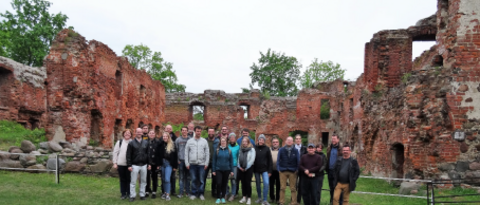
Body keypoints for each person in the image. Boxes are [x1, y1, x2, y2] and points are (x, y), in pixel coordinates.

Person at [185, 126, 210, 201]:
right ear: (194, 131)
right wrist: (187, 163)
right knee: (194, 179)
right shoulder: (190, 141)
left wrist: (206, 163)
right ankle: (194, 193)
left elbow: (207, 152)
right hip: (192, 164)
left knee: (201, 180)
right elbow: (186, 152)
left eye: (200, 131)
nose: (198, 132)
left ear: (201, 132)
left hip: (202, 164)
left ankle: (201, 194)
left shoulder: (204, 141)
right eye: (197, 131)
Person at [126, 128, 151, 202]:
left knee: (143, 181)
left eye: (140, 132)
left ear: (142, 133)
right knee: (133, 181)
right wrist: (129, 165)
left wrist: (149, 164)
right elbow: (128, 155)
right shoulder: (131, 143)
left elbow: (148, 154)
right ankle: (132, 195)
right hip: (135, 165)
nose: (139, 133)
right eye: (138, 132)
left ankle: (142, 194)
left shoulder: (146, 142)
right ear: (135, 133)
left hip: (144, 164)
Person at [277, 136, 300, 205]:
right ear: (286, 141)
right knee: (282, 187)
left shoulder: (295, 150)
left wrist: (297, 169)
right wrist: (279, 169)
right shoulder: (281, 150)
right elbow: (278, 160)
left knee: (293, 188)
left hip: (292, 171)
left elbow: (298, 161)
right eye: (288, 140)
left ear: (293, 142)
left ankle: (293, 202)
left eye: (291, 140)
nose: (289, 141)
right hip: (283, 171)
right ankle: (281, 202)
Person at [212, 137, 234, 204]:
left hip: (226, 170)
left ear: (226, 143)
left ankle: (223, 197)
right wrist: (213, 170)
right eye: (222, 141)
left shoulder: (229, 151)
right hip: (218, 169)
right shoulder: (217, 150)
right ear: (220, 143)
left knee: (224, 184)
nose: (223, 142)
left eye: (224, 141)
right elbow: (214, 161)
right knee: (219, 183)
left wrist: (232, 170)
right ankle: (218, 197)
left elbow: (231, 161)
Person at [113, 129, 133, 200]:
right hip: (121, 164)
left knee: (129, 179)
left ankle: (129, 192)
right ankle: (123, 193)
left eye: (129, 133)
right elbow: (115, 152)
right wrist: (115, 163)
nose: (127, 134)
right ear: (123, 134)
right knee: (122, 179)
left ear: (131, 135)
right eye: (126, 133)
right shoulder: (120, 142)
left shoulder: (132, 142)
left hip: (129, 165)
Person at [158, 132, 178, 201]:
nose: (165, 138)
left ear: (168, 137)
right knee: (163, 179)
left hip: (169, 164)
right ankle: (164, 192)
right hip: (162, 163)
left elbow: (175, 156)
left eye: (166, 136)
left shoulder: (172, 145)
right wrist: (158, 164)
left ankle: (167, 194)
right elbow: (158, 156)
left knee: (167, 179)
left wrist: (175, 166)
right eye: (163, 136)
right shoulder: (160, 145)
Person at [254, 134, 272, 205]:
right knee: (258, 184)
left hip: (265, 169)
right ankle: (259, 198)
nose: (261, 141)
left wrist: (270, 171)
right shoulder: (254, 148)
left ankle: (265, 200)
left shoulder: (267, 149)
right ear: (258, 140)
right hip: (256, 169)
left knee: (266, 183)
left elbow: (270, 160)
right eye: (260, 140)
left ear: (264, 141)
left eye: (262, 140)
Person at [237, 137, 256, 205]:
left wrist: (246, 167)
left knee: (248, 183)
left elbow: (252, 160)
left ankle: (249, 198)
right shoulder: (240, 149)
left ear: (248, 142)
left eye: (245, 141)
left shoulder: (252, 149)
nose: (244, 143)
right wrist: (239, 166)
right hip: (241, 168)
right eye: (243, 141)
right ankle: (244, 197)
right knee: (243, 183)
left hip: (249, 168)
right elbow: (238, 159)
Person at [175, 126, 191, 198]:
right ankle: (181, 193)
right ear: (181, 131)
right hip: (181, 161)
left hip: (188, 162)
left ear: (187, 131)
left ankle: (187, 192)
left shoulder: (190, 140)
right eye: (183, 130)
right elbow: (176, 151)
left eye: (185, 130)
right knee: (181, 177)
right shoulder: (178, 140)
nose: (184, 131)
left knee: (188, 177)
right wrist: (178, 160)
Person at [327, 134, 343, 205]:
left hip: (337, 172)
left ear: (338, 140)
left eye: (335, 139)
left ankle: (339, 202)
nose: (333, 140)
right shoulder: (329, 148)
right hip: (330, 171)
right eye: (332, 139)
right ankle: (332, 201)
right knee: (331, 187)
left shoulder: (341, 149)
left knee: (338, 188)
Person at [204, 127, 220, 197]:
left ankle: (214, 192)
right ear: (208, 132)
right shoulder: (204, 141)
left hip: (214, 162)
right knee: (203, 177)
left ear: (214, 132)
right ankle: (201, 192)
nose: (211, 133)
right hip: (206, 162)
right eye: (209, 132)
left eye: (212, 132)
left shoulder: (218, 141)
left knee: (215, 179)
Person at [145, 130, 160, 199]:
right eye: (150, 133)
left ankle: (154, 191)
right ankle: (147, 191)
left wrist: (158, 164)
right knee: (147, 177)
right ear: (148, 134)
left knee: (154, 177)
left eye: (153, 133)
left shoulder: (158, 142)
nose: (151, 134)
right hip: (147, 163)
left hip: (155, 163)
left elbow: (159, 154)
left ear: (155, 134)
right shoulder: (145, 142)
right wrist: (147, 163)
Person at [294, 134, 307, 205]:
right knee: (293, 185)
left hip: (302, 169)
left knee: (301, 185)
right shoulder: (293, 148)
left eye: (299, 139)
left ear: (301, 140)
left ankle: (298, 201)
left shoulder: (304, 148)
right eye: (296, 139)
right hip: (294, 169)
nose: (298, 140)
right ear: (295, 140)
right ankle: (293, 200)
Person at [227, 132, 240, 201]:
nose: (232, 139)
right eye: (231, 137)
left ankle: (233, 194)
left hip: (234, 166)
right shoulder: (227, 146)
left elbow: (238, 157)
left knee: (233, 180)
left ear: (235, 139)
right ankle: (226, 192)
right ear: (229, 139)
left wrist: (238, 165)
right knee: (225, 180)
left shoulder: (238, 147)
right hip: (227, 165)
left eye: (233, 137)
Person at [165, 124, 178, 196]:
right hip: (165, 161)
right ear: (165, 129)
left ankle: (173, 190)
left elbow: (176, 152)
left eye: (170, 129)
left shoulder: (175, 138)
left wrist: (175, 164)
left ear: (172, 130)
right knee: (165, 177)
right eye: (167, 128)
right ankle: (165, 191)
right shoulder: (162, 137)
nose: (168, 130)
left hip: (172, 161)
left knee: (173, 177)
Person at [269, 137, 281, 204]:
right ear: (272, 143)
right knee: (271, 185)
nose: (275, 143)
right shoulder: (269, 150)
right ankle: (272, 197)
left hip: (278, 171)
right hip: (271, 170)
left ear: (278, 143)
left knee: (278, 185)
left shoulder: (281, 150)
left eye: (276, 142)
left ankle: (277, 198)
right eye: (274, 142)